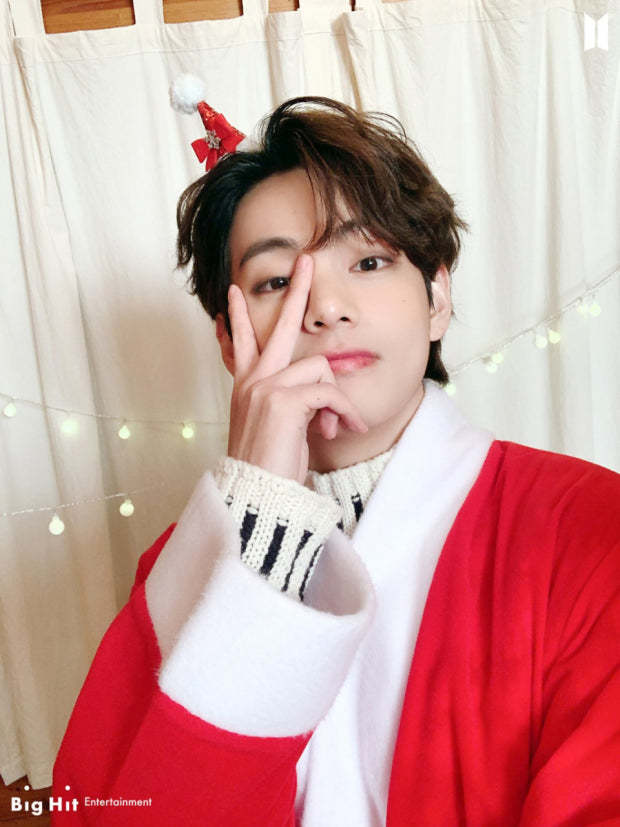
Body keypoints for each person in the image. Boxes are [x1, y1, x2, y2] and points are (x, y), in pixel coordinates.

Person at [51, 96, 620, 825]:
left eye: (370, 261)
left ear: (436, 295)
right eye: (276, 282)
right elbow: (106, 807)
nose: (325, 308)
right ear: (228, 340)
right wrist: (259, 529)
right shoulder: (177, 565)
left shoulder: (591, 529)